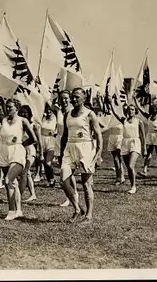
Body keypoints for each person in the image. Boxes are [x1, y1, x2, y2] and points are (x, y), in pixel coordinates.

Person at [0, 86, 37, 220]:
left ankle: (11, 211)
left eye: (10, 107)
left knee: (8, 180)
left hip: (17, 153)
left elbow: (34, 139)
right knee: (13, 183)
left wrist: (21, 144)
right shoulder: (3, 119)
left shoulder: (23, 121)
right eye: (7, 107)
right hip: (3, 152)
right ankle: (19, 210)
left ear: (17, 108)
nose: (8, 109)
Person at [59, 88, 103, 224]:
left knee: (86, 183)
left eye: (77, 97)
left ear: (84, 99)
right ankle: (78, 209)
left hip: (85, 148)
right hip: (70, 148)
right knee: (63, 181)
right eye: (73, 96)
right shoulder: (67, 114)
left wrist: (98, 155)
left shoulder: (90, 114)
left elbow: (99, 136)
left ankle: (88, 215)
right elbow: (64, 136)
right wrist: (61, 154)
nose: (74, 99)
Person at [108, 100, 146, 194]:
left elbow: (143, 136)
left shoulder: (139, 122)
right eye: (129, 110)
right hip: (125, 142)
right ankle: (132, 184)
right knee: (128, 167)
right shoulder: (124, 120)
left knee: (130, 165)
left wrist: (144, 148)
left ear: (135, 111)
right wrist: (111, 103)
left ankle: (133, 187)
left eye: (132, 110)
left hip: (135, 142)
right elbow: (115, 113)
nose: (130, 111)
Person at [136, 101, 157, 178]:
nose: (154, 112)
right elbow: (140, 109)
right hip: (149, 136)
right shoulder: (148, 116)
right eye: (153, 110)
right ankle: (144, 171)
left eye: (155, 110)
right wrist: (135, 100)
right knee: (148, 154)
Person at [18, 105, 40, 202]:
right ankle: (33, 194)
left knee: (24, 172)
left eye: (25, 112)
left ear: (29, 113)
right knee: (27, 174)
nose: (23, 114)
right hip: (21, 151)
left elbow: (38, 140)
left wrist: (41, 153)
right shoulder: (18, 124)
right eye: (21, 112)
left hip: (30, 151)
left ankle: (18, 196)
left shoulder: (33, 125)